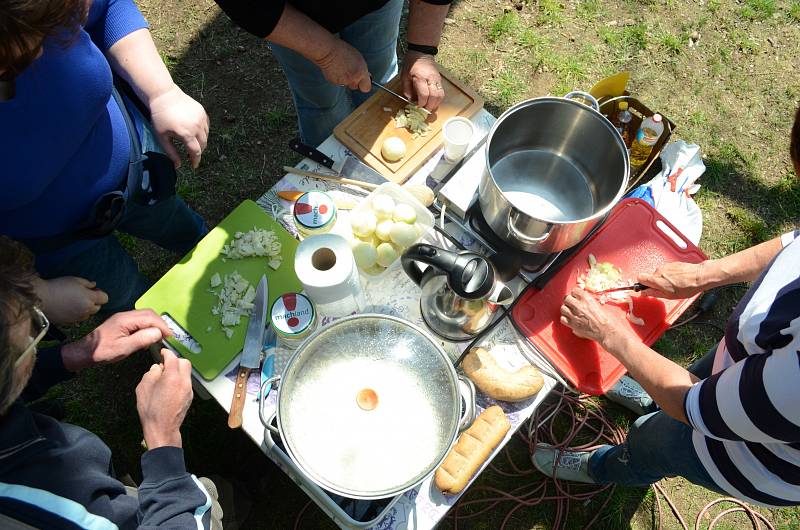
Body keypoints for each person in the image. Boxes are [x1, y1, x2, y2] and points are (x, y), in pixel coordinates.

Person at [532, 106, 800, 508]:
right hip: (750, 368)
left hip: (747, 456)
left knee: (656, 443)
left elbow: (697, 409)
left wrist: (609, 333)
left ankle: (607, 467)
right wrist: (703, 275)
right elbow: (792, 244)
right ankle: (650, 394)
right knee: (683, 385)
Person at [0, 0, 210, 314]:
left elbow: (108, 6)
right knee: (128, 302)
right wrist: (37, 294)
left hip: (137, 179)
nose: (44, 55)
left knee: (183, 230)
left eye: (52, 30)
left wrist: (162, 92)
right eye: (18, 60)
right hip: (61, 243)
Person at [0, 236, 224, 529]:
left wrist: (75, 355)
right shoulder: (48, 509)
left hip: (108, 498)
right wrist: (163, 440)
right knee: (208, 503)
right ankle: (224, 505)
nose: (35, 337)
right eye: (33, 336)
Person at [214, 0, 451, 146]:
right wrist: (326, 54)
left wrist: (422, 51)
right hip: (295, 15)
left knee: (380, 74)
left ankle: (374, 144)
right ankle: (329, 168)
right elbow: (248, 5)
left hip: (378, 5)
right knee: (322, 102)